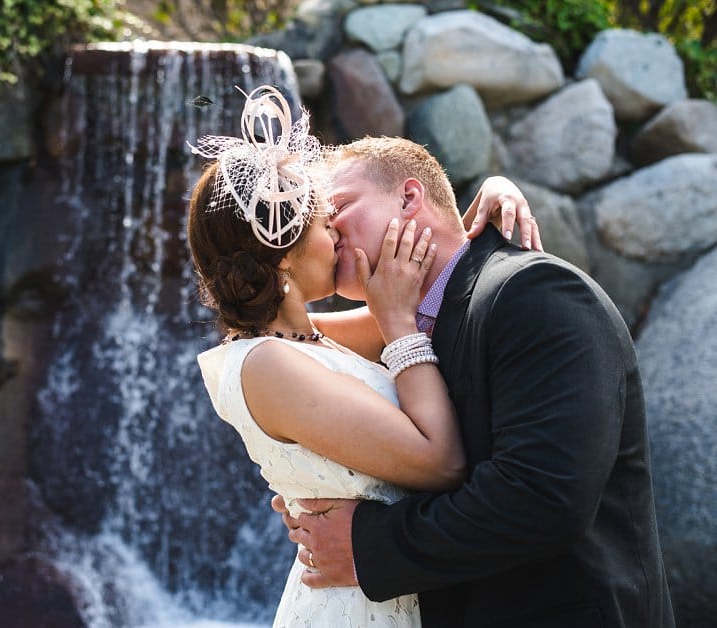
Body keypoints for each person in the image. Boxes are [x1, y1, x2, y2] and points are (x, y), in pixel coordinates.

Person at [275, 135, 676, 628]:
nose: (327, 230)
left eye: (338, 206)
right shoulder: (400, 327)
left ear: (408, 197)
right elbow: (291, 340)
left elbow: (544, 498)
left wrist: (364, 546)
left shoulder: (536, 292)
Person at [189, 85, 539, 627]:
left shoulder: (302, 341)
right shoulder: (268, 365)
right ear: (283, 256)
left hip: (392, 587)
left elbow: (440, 296)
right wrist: (398, 325)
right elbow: (442, 462)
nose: (341, 236)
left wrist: (486, 197)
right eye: (326, 226)